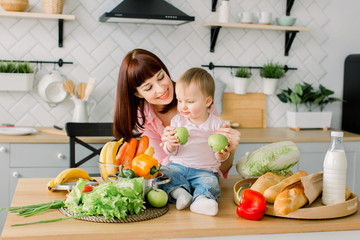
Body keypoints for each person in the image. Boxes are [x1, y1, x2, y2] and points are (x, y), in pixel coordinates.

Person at [113, 48, 240, 176]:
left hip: (204, 177)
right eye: (149, 87)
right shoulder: (145, 116)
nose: (161, 88)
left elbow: (222, 167)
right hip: (174, 181)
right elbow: (159, 167)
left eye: (161, 77)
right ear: (138, 94)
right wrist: (170, 146)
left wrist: (230, 151)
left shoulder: (199, 100)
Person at [160, 67, 229, 216]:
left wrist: (222, 155)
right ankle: (180, 193)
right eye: (179, 100)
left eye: (189, 101)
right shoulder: (177, 121)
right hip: (178, 167)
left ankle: (201, 200)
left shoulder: (216, 124)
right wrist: (170, 144)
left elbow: (220, 154)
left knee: (210, 183)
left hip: (204, 171)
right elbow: (169, 150)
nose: (183, 106)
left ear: (207, 101)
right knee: (164, 172)